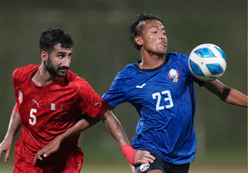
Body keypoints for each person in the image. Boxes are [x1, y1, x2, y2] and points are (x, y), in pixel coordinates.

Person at [0, 28, 155, 173]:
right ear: (44, 55)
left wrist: (127, 151)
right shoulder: (20, 76)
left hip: (62, 164)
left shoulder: (77, 87)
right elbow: (22, 103)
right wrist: (9, 136)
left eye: (69, 56)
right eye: (61, 56)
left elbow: (104, 114)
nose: (67, 63)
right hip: (27, 160)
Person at [102, 13, 247, 173]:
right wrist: (127, 150)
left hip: (181, 154)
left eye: (164, 32)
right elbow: (100, 109)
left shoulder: (183, 64)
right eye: (155, 32)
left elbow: (223, 92)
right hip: (150, 150)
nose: (162, 37)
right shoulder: (128, 77)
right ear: (139, 40)